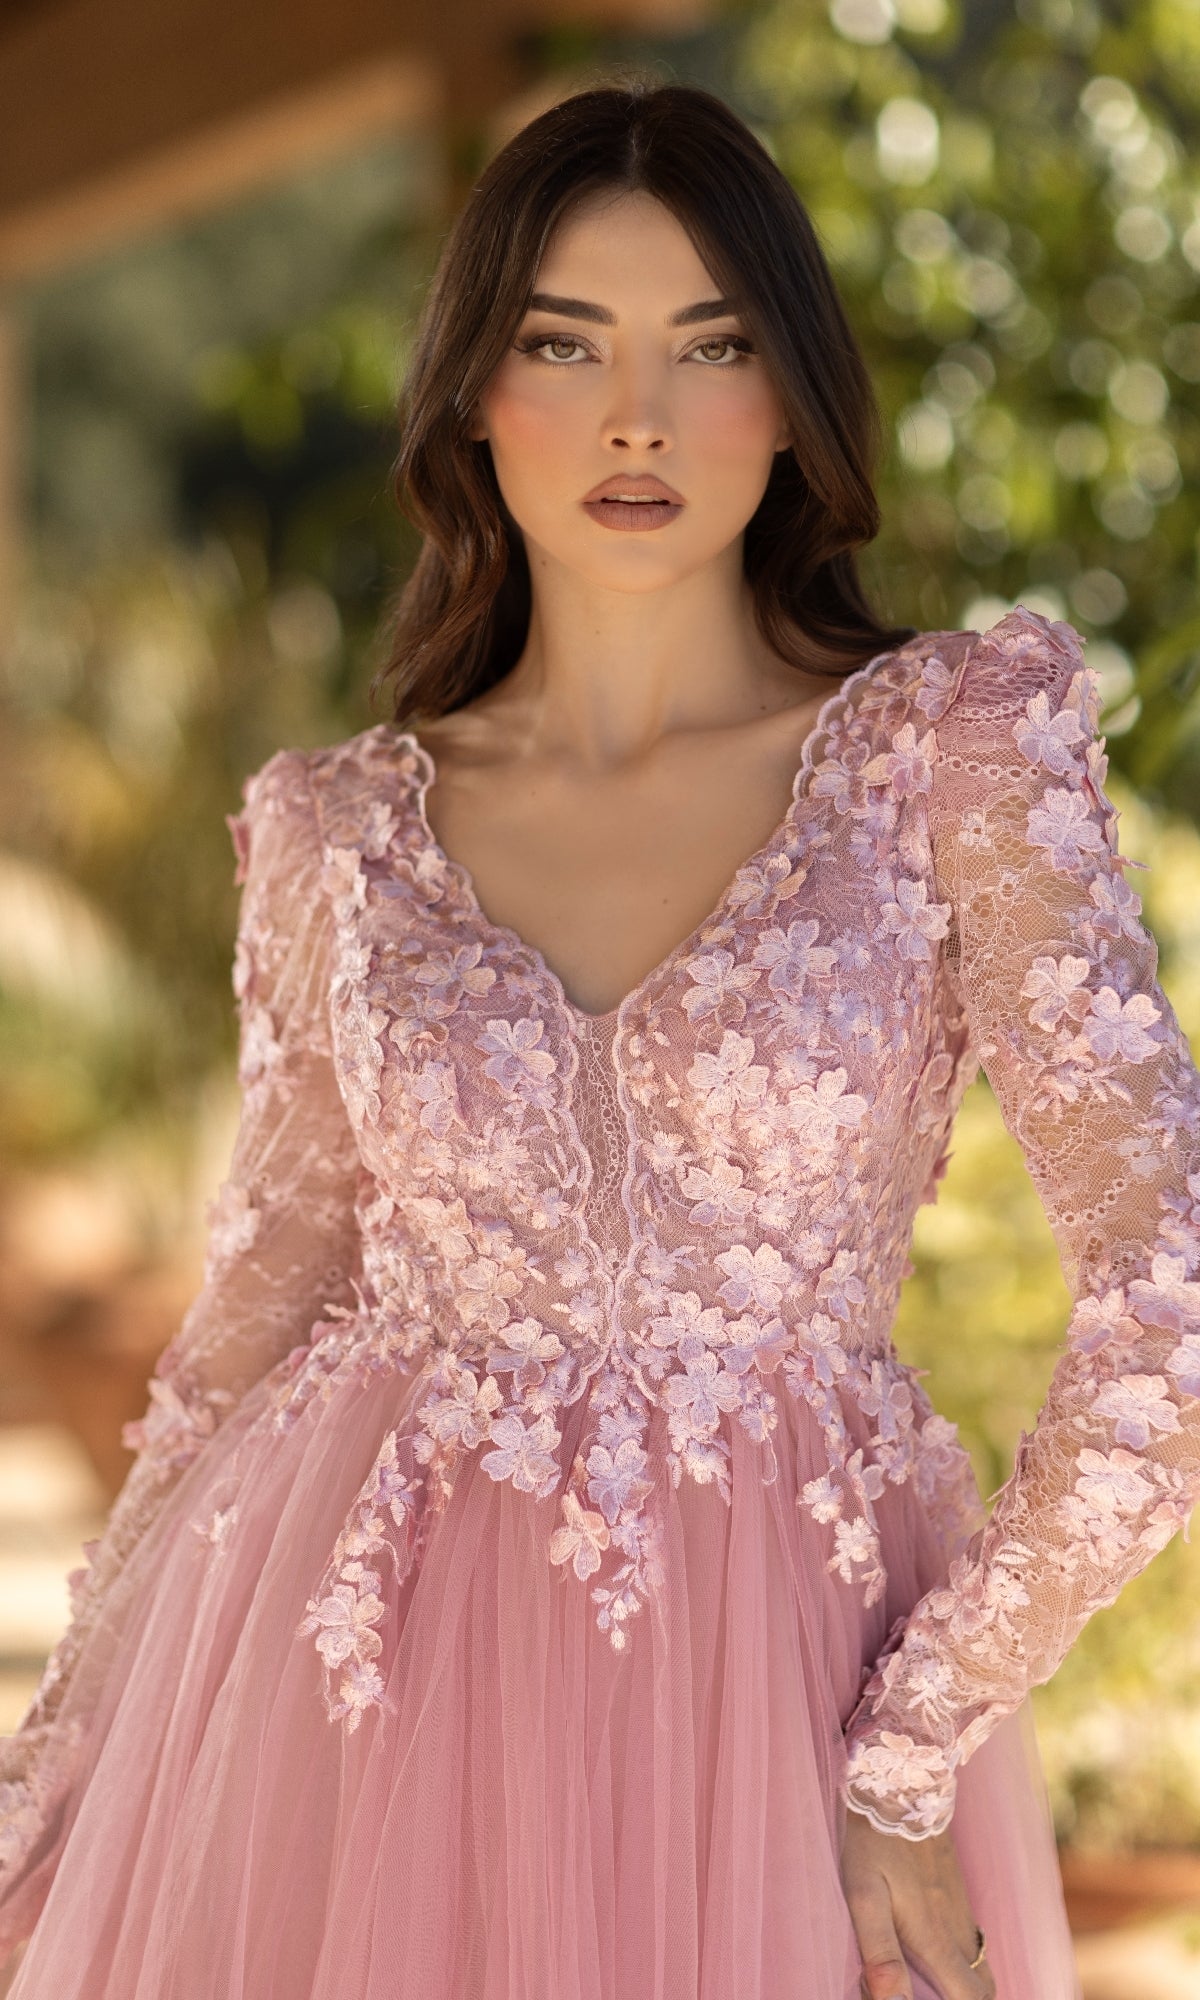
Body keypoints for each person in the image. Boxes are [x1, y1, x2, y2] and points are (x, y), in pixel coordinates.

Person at [0, 75, 1196, 2000]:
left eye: (711, 344)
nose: (637, 415)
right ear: (476, 391)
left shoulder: (947, 755)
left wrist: (914, 1747)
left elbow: (1172, 1302)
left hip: (796, 1703)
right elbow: (251, 1329)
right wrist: (55, 1771)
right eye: (567, 342)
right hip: (351, 1698)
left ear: (790, 398)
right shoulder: (334, 832)